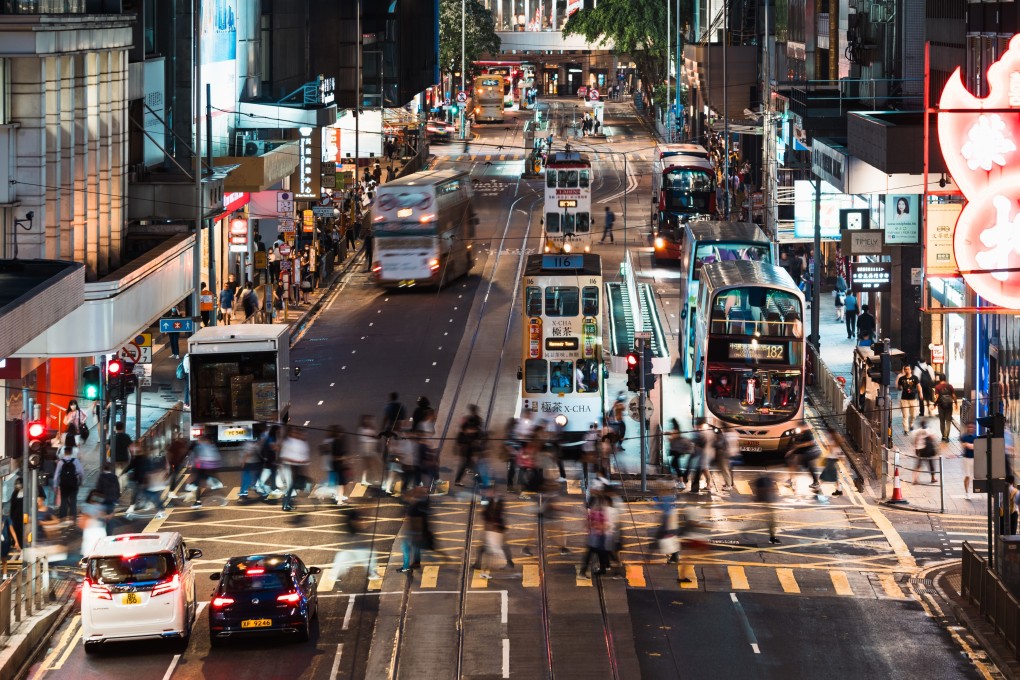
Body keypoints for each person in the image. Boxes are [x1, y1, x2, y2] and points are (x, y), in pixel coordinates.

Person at [472, 491, 514, 578]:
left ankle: (481, 567)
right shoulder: (492, 501)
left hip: (495, 530)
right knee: (495, 547)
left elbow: (496, 515)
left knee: (488, 549)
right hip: (492, 529)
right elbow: (486, 513)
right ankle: (509, 563)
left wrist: (494, 524)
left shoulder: (498, 502)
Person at [399, 487, 432, 573]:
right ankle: (416, 563)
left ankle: (405, 566)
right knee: (416, 547)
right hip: (418, 531)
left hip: (413, 531)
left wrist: (416, 534)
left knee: (405, 548)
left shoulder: (415, 506)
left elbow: (417, 520)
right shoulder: (423, 503)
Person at [279, 427, 311, 512]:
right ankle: (286, 504)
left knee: (293, 486)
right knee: (291, 485)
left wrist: (303, 465)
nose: (300, 435)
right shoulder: (288, 442)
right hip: (289, 467)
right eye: (295, 433)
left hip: (297, 467)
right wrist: (297, 462)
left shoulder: (301, 443)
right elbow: (284, 457)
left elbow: (304, 457)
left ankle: (288, 503)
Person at [189, 433, 223, 507]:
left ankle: (198, 501)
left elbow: (195, 458)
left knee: (198, 483)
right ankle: (214, 483)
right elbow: (217, 456)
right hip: (211, 466)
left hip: (203, 466)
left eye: (199, 439)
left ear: (201, 440)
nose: (198, 440)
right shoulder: (211, 446)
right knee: (201, 481)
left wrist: (193, 467)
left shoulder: (200, 447)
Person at [455, 405, 484, 487]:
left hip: (470, 444)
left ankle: (459, 480)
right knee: (469, 463)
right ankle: (479, 480)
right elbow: (465, 430)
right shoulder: (470, 419)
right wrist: (472, 431)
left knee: (469, 463)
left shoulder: (474, 419)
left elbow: (476, 431)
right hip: (467, 445)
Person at [54, 445, 84, 521]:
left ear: (64, 453)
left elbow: (57, 475)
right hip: (73, 484)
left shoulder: (60, 462)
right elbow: (81, 473)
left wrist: (56, 485)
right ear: (71, 452)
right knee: (73, 501)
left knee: (63, 501)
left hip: (63, 485)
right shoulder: (76, 461)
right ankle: (73, 518)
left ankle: (62, 517)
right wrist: (81, 481)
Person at [754, 473, 781, 544]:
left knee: (771, 521)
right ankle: (772, 538)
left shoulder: (764, 482)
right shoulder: (766, 483)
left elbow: (758, 497)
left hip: (768, 504)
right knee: (771, 521)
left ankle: (772, 537)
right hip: (768, 504)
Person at [911, 418, 939, 485]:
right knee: (931, 463)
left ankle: (915, 479)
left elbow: (915, 441)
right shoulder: (929, 430)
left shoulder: (917, 431)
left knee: (919, 464)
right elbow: (933, 437)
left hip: (920, 450)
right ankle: (933, 478)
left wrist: (915, 448)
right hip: (927, 450)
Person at [933, 374, 957, 442]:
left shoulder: (937, 387)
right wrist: (956, 403)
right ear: (945, 379)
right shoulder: (950, 386)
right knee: (948, 421)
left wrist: (934, 404)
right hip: (949, 405)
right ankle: (947, 435)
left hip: (941, 406)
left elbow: (937, 397)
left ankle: (943, 435)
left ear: (939, 379)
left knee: (942, 421)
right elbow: (953, 395)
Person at [897, 365, 920, 434]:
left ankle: (911, 424)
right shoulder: (901, 379)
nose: (907, 370)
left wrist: (920, 393)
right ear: (904, 370)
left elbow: (919, 386)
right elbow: (899, 387)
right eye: (906, 369)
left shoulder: (915, 378)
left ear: (911, 370)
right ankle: (906, 430)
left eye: (908, 369)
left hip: (913, 399)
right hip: (904, 399)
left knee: (913, 415)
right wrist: (900, 388)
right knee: (905, 415)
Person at [960, 422, 977, 500]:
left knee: (973, 476)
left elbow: (976, 447)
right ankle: (966, 492)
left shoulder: (976, 437)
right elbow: (964, 445)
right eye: (969, 427)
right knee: (967, 476)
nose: (971, 429)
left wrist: (969, 445)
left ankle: (970, 491)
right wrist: (970, 445)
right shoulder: (964, 437)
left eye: (972, 427)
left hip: (974, 458)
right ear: (967, 428)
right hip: (966, 458)